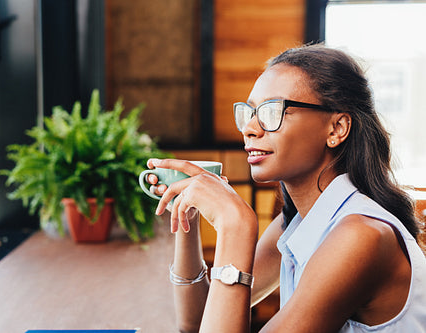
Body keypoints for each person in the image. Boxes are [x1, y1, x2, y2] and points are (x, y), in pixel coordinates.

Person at [145, 44, 426, 332]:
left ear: (336, 128)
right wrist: (187, 216)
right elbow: (199, 321)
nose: (250, 129)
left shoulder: (361, 236)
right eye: (250, 112)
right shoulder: (297, 222)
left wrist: (236, 226)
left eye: (272, 111)